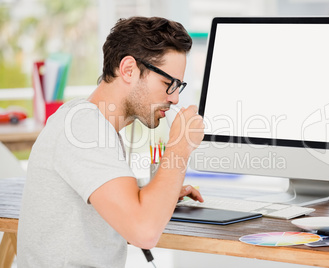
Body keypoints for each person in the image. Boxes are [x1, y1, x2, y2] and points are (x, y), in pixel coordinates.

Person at [17, 16, 205, 267]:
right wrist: (180, 147)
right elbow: (144, 232)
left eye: (178, 86)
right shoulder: (83, 127)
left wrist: (159, 195)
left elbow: (116, 207)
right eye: (167, 83)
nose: (174, 99)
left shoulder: (90, 122)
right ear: (128, 69)